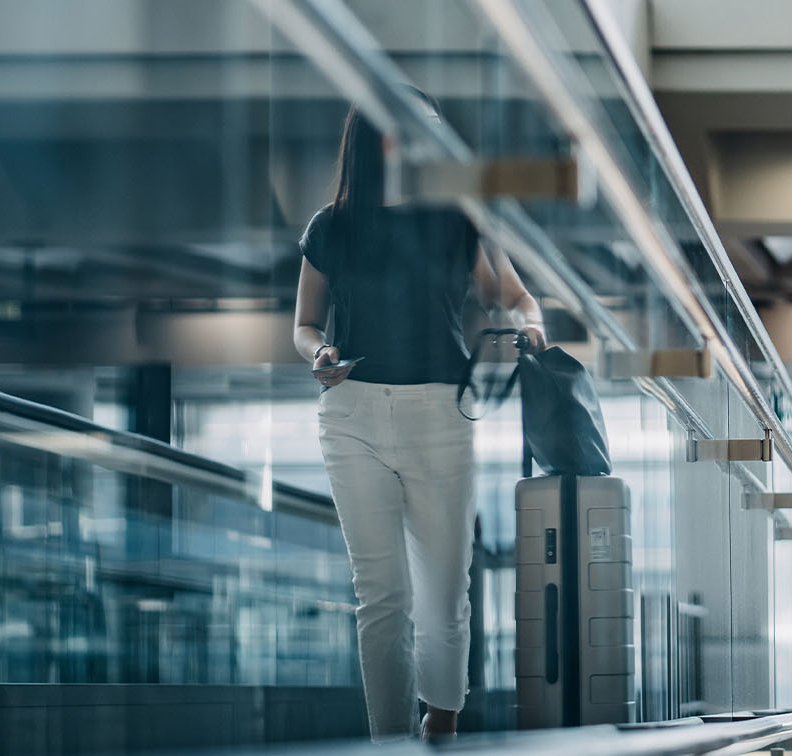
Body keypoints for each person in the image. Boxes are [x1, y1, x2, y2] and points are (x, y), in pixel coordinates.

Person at [293, 100, 547, 742]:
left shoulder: (458, 221)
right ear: (373, 144)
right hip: (350, 414)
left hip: (439, 410)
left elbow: (514, 295)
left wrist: (530, 325)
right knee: (380, 595)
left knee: (443, 588)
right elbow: (304, 325)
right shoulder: (332, 226)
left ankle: (442, 722)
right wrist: (316, 352)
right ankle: (387, 740)